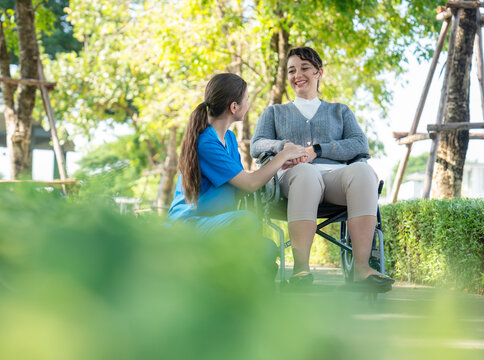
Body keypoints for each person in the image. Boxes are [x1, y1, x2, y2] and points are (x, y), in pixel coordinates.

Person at [250, 46, 394, 290]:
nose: (298, 75)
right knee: (306, 173)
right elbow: (257, 145)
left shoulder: (340, 111)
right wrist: (283, 146)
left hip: (335, 177)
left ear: (319, 73)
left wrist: (318, 149)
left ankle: (362, 269)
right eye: (292, 70)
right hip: (293, 179)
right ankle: (301, 270)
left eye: (305, 68)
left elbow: (360, 145)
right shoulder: (274, 112)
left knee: (364, 172)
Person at [168, 73, 306, 276]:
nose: (248, 104)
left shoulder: (230, 139)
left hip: (217, 224)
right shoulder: (206, 142)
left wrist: (282, 166)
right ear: (234, 107)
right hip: (191, 224)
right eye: (247, 99)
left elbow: (240, 183)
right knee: (246, 221)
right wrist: (282, 155)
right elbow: (250, 183)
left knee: (267, 249)